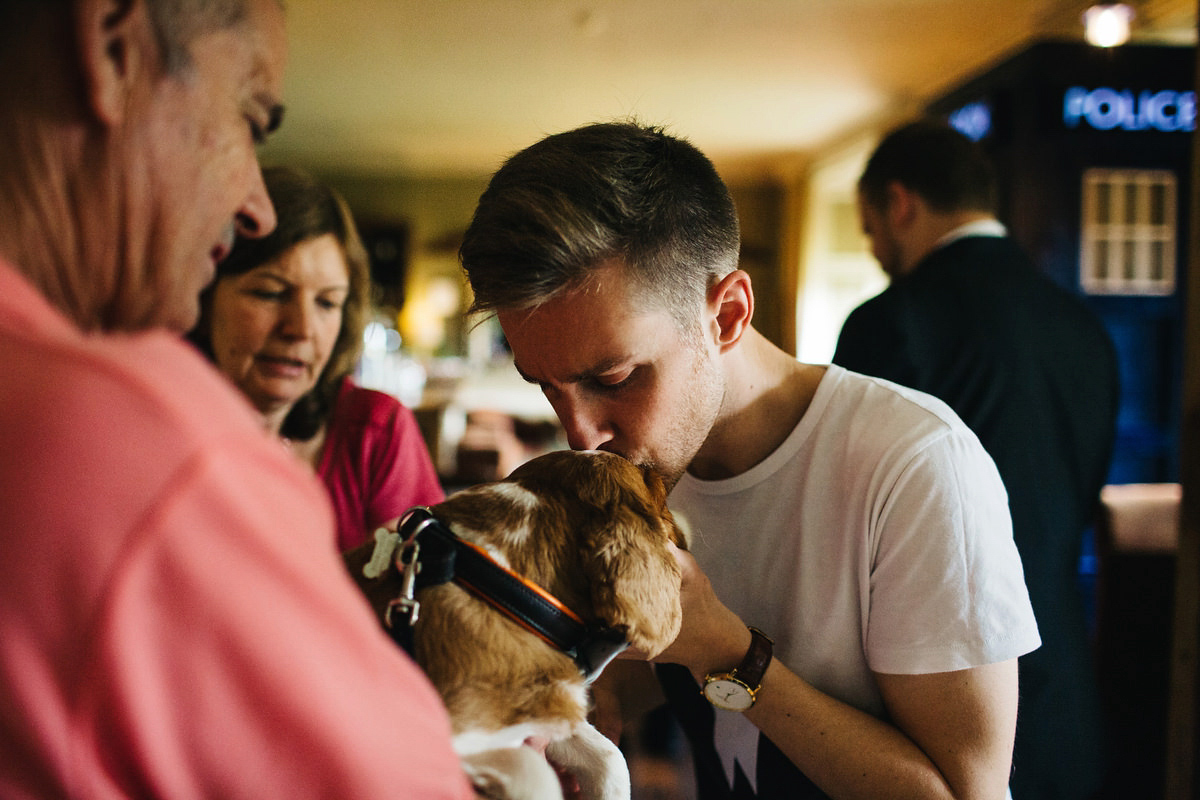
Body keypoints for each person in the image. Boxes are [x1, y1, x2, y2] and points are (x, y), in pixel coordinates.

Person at [458, 119, 1042, 800]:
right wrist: (591, 697)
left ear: (727, 315)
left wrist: (730, 655)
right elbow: (651, 667)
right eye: (547, 388)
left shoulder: (913, 463)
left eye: (614, 379)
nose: (581, 435)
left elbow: (964, 793)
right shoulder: (641, 471)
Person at [0, 1, 472, 796]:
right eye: (250, 121)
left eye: (328, 302)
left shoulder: (366, 429)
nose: (251, 205)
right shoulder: (149, 442)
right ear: (114, 49)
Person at [833, 119, 1119, 800]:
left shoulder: (888, 322)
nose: (875, 248)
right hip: (1064, 698)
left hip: (931, 705)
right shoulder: (1084, 328)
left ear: (899, 203)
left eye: (870, 227)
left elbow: (842, 517)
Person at [189, 165, 444, 551]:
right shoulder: (149, 433)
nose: (302, 328)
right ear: (205, 296)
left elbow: (427, 599)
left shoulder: (375, 433)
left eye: (327, 302)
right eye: (270, 293)